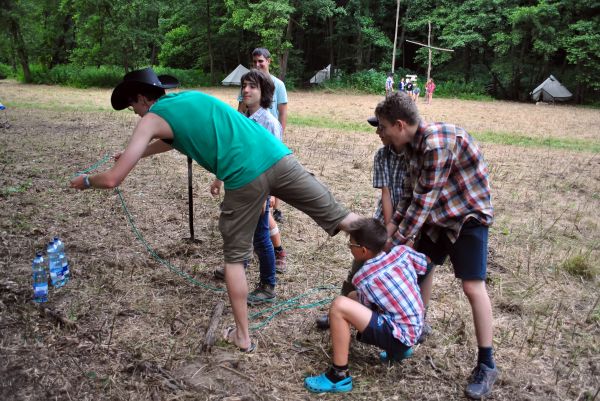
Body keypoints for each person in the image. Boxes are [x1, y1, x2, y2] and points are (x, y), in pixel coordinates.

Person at [70, 67, 361, 354]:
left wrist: (85, 181)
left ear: (142, 99)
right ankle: (387, 248)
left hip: (244, 176)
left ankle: (243, 337)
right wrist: (139, 152)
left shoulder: (151, 119)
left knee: (234, 259)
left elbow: (112, 179)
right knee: (343, 218)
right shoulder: (191, 98)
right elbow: (176, 139)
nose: (134, 112)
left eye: (132, 105)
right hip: (277, 157)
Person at [368, 91, 498, 399]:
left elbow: (421, 206)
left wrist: (393, 245)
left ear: (400, 125)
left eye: (383, 127)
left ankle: (487, 364)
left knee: (472, 286)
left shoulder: (436, 145)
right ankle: (417, 327)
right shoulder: (411, 148)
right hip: (438, 215)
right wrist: (388, 231)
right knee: (420, 269)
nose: (379, 132)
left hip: (466, 217)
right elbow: (408, 196)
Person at [304, 218, 427, 393]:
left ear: (362, 250)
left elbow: (366, 307)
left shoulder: (364, 278)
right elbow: (423, 265)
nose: (350, 248)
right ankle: (400, 351)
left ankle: (338, 375)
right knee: (352, 297)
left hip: (400, 337)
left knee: (339, 306)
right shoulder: (402, 252)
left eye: (351, 245)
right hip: (414, 328)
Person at [211, 69, 284, 304]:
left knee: (261, 237)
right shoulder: (241, 120)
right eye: (244, 86)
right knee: (239, 230)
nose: (246, 90)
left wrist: (267, 196)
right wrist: (219, 178)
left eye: (252, 86)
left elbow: (275, 162)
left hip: (258, 191)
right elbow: (232, 153)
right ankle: (237, 268)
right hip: (239, 187)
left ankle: (267, 285)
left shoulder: (269, 123)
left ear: (264, 92)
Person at [238, 48, 288, 225]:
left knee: (272, 166)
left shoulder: (278, 85)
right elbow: (241, 109)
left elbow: (282, 112)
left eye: (261, 61)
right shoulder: (249, 82)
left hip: (269, 132)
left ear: (269, 61)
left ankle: (275, 206)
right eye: (255, 61)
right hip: (253, 130)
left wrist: (280, 135)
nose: (258, 64)